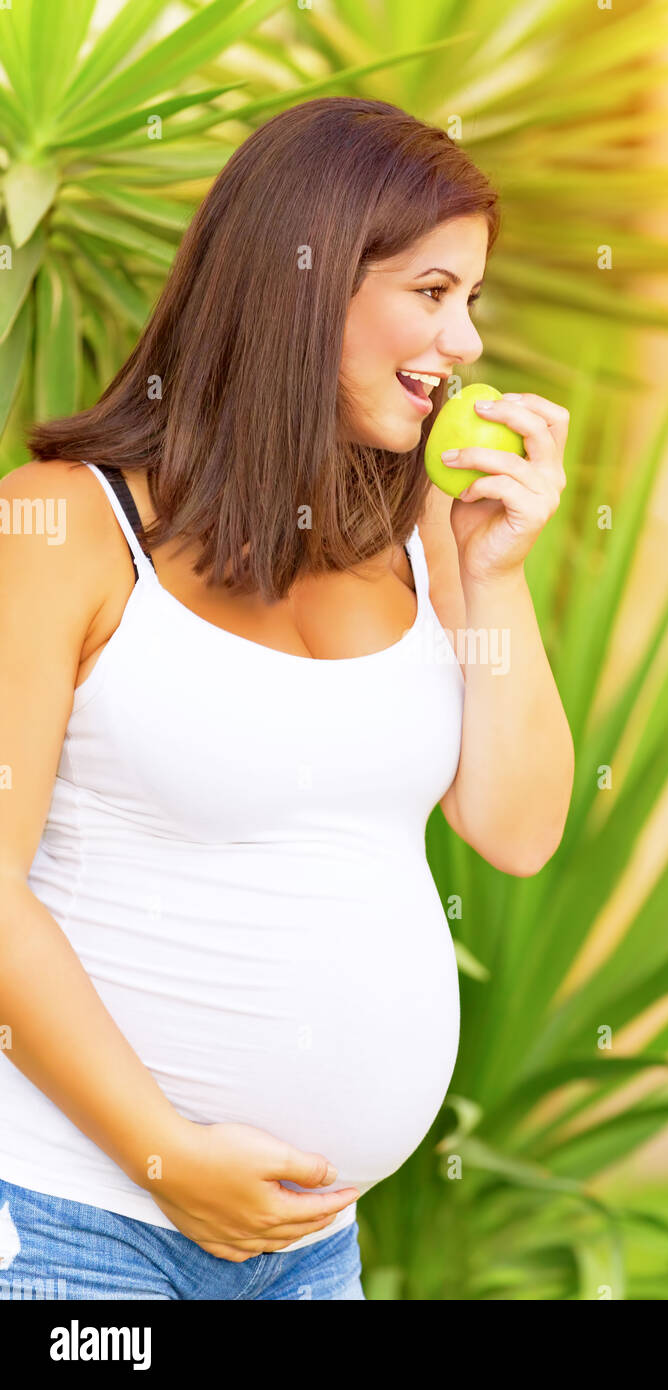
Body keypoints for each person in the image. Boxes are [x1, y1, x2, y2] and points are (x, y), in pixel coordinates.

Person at [0, 97, 573, 1300]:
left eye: (472, 298)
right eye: (431, 291)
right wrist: (166, 1157)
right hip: (69, 1220)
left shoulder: (420, 527)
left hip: (310, 1251)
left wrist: (495, 572)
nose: (463, 339)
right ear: (305, 280)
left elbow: (517, 832)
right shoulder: (60, 521)